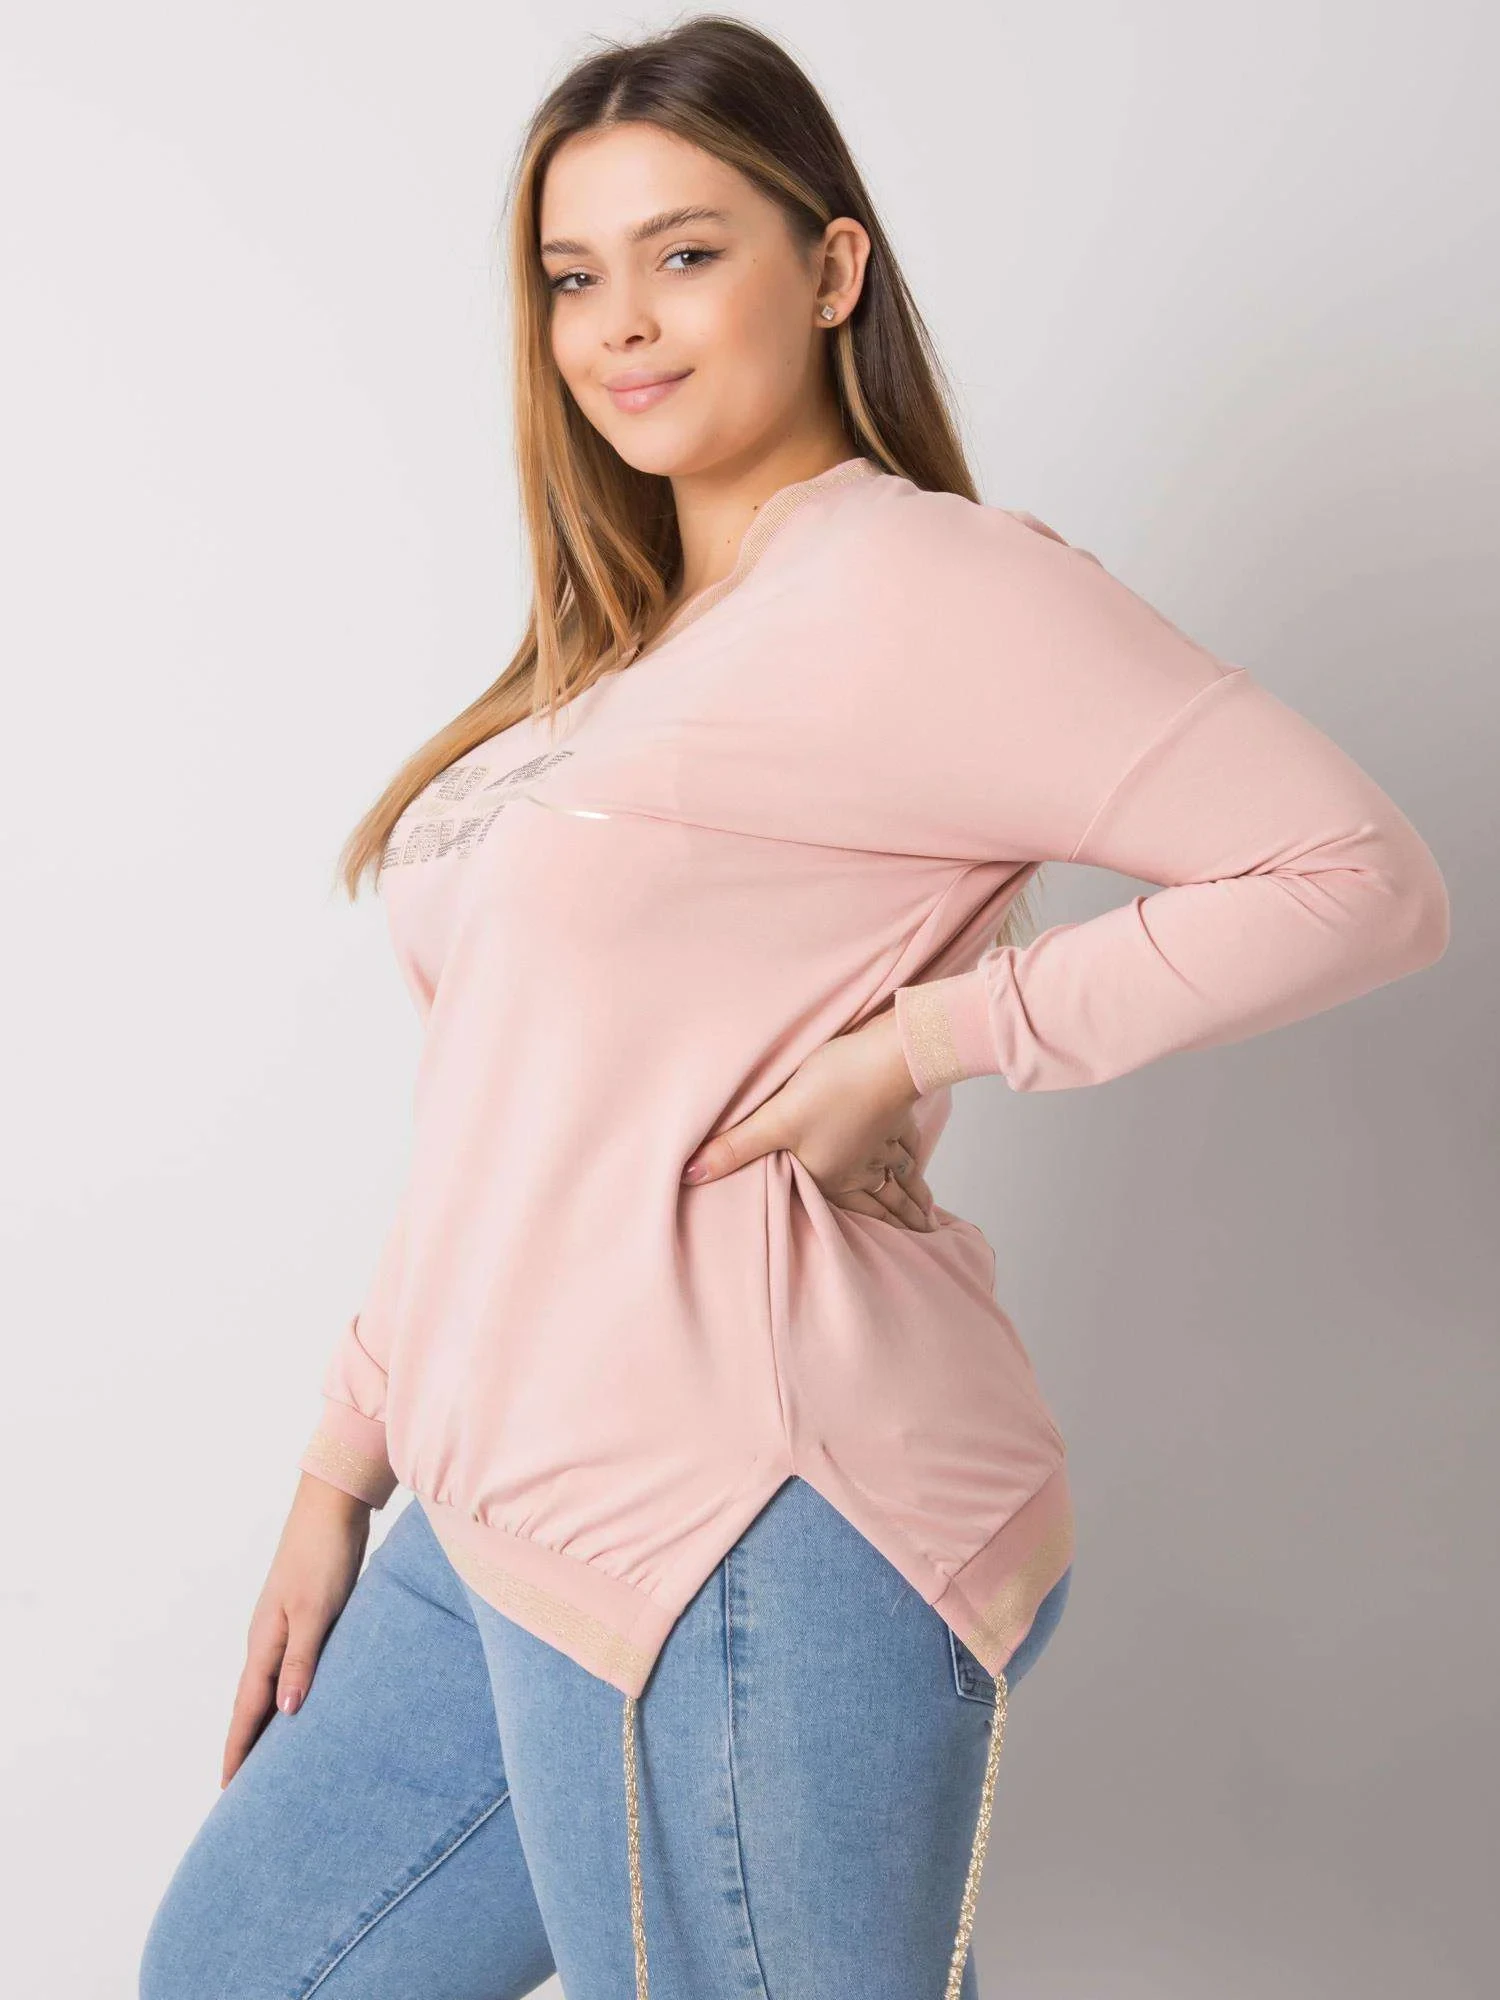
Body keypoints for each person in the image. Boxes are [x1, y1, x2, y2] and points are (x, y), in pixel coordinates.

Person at [137, 16, 1450, 2000]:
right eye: (573, 276)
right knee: (240, 1969)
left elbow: (1357, 877)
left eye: (686, 254)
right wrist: (343, 1467)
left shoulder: (926, 583)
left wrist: (927, 1041)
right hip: (498, 1501)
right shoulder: (622, 656)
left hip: (751, 1511)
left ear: (831, 270)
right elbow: (511, 1112)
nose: (619, 325)